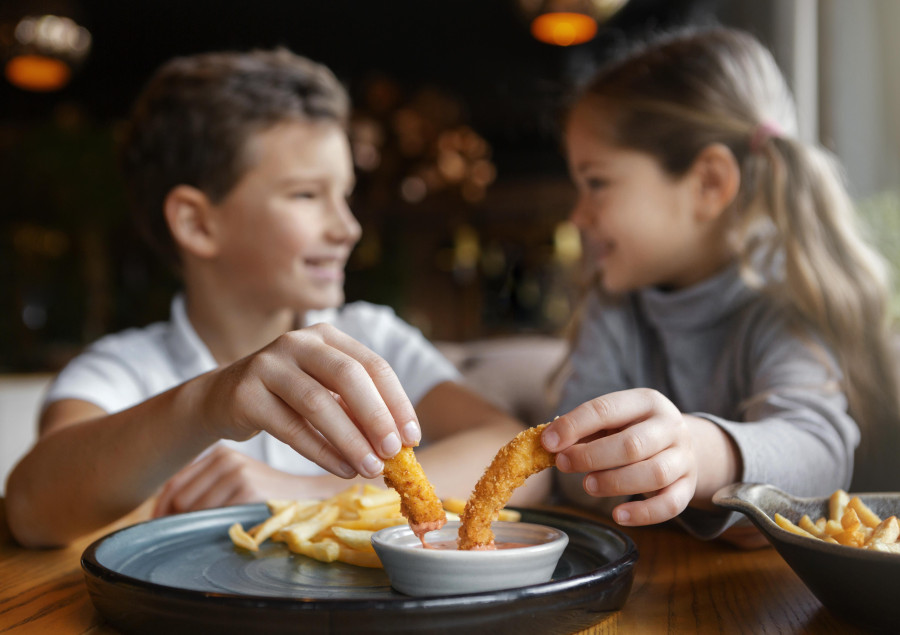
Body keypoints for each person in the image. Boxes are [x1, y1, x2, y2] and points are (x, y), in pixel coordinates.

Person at [5, 48, 548, 548]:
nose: (348, 228)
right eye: (306, 194)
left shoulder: (370, 337)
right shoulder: (123, 369)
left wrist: (308, 493)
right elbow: (31, 510)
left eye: (345, 195)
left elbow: (509, 449)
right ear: (197, 223)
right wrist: (208, 402)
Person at [539, 27, 900, 543]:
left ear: (709, 182)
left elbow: (819, 457)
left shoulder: (784, 302)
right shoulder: (613, 306)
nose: (577, 214)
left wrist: (699, 454)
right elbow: (569, 471)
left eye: (596, 182)